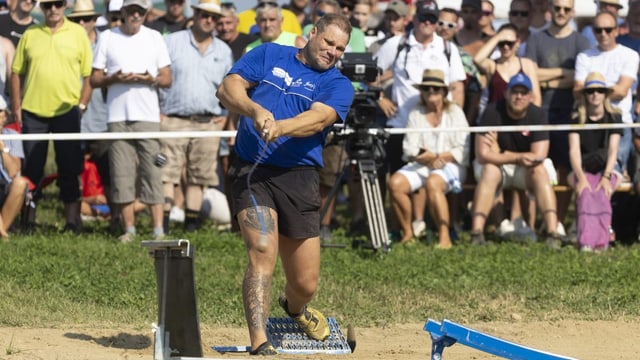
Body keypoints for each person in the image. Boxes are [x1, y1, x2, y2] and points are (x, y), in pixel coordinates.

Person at [216, 13, 354, 355]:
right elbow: (227, 88)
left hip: (300, 177)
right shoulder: (268, 54)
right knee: (262, 250)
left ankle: (295, 309)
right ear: (312, 34)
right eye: (328, 42)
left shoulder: (338, 84)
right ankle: (260, 343)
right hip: (253, 170)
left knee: (305, 284)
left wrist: (282, 126)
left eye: (340, 48)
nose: (333, 52)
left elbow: (318, 119)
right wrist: (253, 110)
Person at [90, 0, 172, 242]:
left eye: (140, 11)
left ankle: (158, 231)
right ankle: (129, 230)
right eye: (131, 11)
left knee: (153, 171)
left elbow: (167, 78)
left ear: (145, 13)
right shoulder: (107, 38)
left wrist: (151, 79)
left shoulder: (155, 37)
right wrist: (113, 78)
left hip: (147, 116)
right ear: (122, 13)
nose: (135, 15)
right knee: (121, 173)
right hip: (117, 117)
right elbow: (94, 79)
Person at [10, 0, 93, 232]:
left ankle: (71, 222)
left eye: (57, 4)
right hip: (33, 112)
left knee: (70, 167)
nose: (53, 9)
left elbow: (89, 75)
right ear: (42, 8)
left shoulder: (77, 34)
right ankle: (28, 220)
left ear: (65, 5)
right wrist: (17, 105)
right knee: (32, 169)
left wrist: (82, 105)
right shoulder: (31, 33)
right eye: (47, 5)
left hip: (67, 111)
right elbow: (16, 72)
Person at [160, 0, 232, 233]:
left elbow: (230, 88)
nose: (208, 20)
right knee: (166, 174)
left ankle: (192, 225)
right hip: (173, 118)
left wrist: (225, 117)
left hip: (208, 121)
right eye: (204, 14)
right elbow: (159, 76)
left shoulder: (223, 50)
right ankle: (162, 224)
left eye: (213, 16)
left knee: (199, 176)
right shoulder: (172, 42)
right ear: (195, 13)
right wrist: (158, 112)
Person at [470, 73, 562, 248]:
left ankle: (553, 233)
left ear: (531, 96)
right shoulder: (492, 111)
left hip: (524, 169)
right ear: (506, 93)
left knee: (540, 170)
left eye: (523, 92)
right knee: (489, 169)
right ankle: (476, 233)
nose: (518, 97)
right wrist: (516, 156)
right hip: (499, 167)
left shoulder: (538, 115)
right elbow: (482, 154)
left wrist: (501, 152)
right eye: (514, 92)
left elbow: (538, 156)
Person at [525, 0, 590, 234]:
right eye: (557, 8)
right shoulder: (536, 39)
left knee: (565, 169)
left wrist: (545, 77)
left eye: (566, 9)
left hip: (569, 112)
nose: (561, 13)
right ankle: (534, 224)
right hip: (538, 112)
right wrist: (564, 74)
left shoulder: (581, 41)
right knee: (535, 165)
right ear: (549, 10)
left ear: (573, 12)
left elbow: (581, 77)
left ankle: (558, 222)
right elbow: (530, 71)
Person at [387, 69, 470, 248]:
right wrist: (430, 158)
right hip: (422, 163)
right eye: (426, 88)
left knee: (434, 182)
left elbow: (463, 148)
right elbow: (409, 148)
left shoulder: (455, 112)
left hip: (451, 165)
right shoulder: (416, 113)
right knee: (395, 183)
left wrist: (439, 157)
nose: (430, 92)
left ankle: (444, 236)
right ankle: (408, 233)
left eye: (435, 88)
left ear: (444, 92)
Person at [574, 11, 639, 180]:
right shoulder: (584, 56)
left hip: (619, 123)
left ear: (617, 30)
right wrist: (609, 89)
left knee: (613, 175)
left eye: (608, 29)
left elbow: (622, 91)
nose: (603, 34)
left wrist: (591, 89)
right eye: (598, 30)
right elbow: (577, 91)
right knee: (588, 176)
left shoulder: (630, 55)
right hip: (589, 124)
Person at [567, 72, 622, 252]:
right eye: (590, 91)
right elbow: (573, 150)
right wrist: (581, 177)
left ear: (605, 94)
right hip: (580, 169)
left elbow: (614, 150)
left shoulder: (614, 117)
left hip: (607, 169)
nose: (595, 94)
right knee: (585, 192)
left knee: (602, 193)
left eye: (599, 90)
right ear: (584, 94)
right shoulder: (576, 117)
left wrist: (606, 176)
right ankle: (586, 242)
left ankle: (602, 242)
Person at [0, 96, 27, 240]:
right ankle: (3, 234)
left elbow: (13, 172)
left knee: (20, 183)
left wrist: (3, 148)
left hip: (5, 186)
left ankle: (2, 229)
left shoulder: (13, 136)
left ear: (5, 115)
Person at [237, 0, 302, 36]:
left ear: (281, 20)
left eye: (272, 19)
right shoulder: (240, 18)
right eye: (263, 20)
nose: (267, 24)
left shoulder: (290, 17)